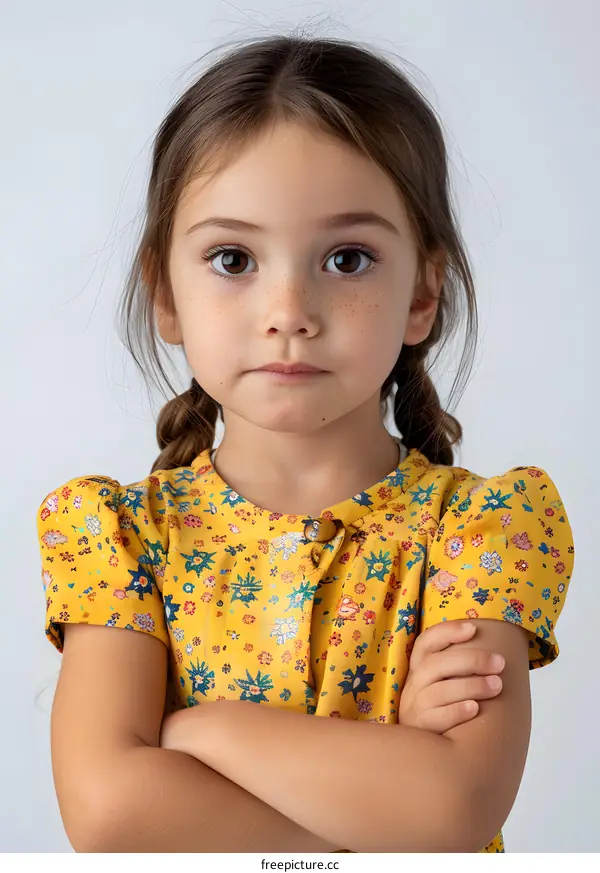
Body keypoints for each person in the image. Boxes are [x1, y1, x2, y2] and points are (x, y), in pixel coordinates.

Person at [36, 35, 574, 854]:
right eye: (233, 258)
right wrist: (382, 794)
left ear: (423, 292)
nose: (288, 308)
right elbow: (110, 815)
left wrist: (201, 730)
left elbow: (454, 809)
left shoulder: (482, 531)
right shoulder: (120, 539)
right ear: (165, 295)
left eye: (347, 258)